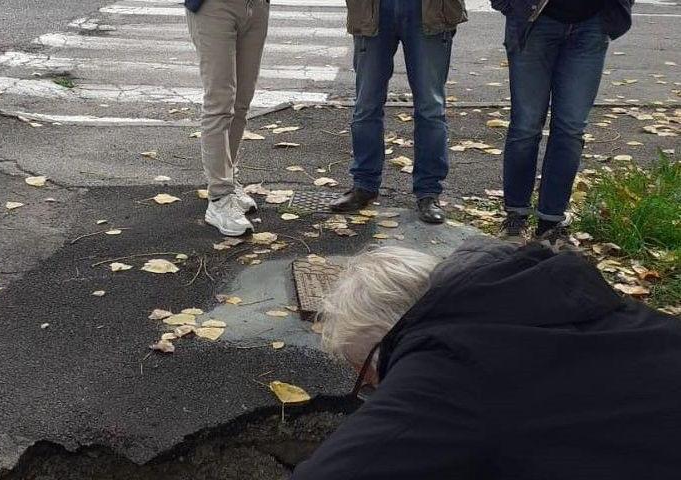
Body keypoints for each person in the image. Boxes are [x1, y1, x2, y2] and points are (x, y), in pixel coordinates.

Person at [292, 238, 681, 479]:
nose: (378, 392)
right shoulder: (556, 301)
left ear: (383, 344)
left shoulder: (450, 366)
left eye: (371, 381)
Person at [494, 0, 635, 243]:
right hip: (534, 20)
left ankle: (550, 221)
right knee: (525, 126)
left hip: (592, 23)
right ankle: (516, 216)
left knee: (570, 129)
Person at [330, 0, 467, 224]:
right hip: (373, 9)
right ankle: (364, 185)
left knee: (430, 108)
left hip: (429, 10)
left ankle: (429, 192)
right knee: (366, 105)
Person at [185, 0, 269, 236]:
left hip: (256, 5)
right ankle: (220, 197)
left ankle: (229, 182)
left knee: (241, 102)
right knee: (220, 102)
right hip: (214, 6)